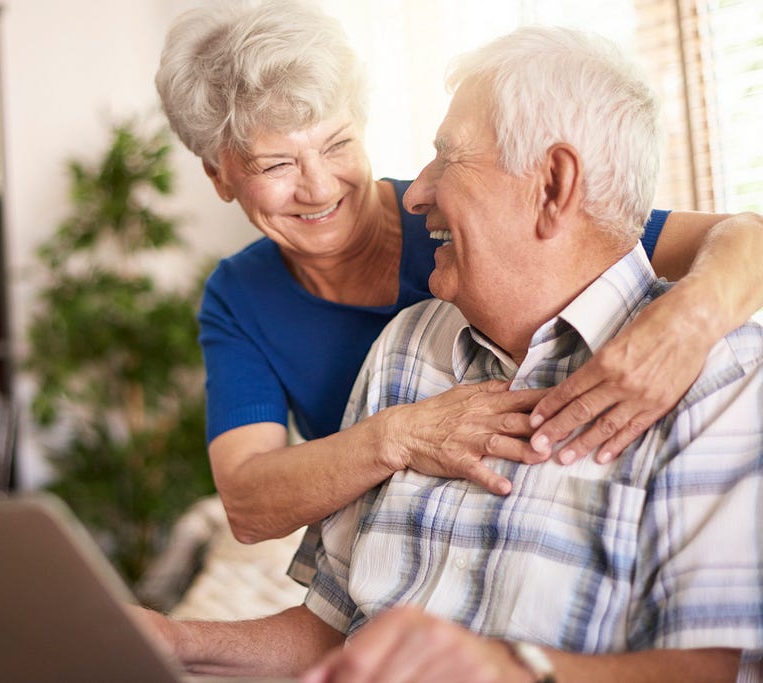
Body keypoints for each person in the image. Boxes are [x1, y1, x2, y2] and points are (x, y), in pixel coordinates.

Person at [142, 25, 763, 681]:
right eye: (276, 164)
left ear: (551, 186)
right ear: (219, 174)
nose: (321, 186)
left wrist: (691, 324)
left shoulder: (715, 378)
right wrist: (171, 639)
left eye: (338, 144)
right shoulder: (394, 345)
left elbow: (692, 235)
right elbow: (317, 598)